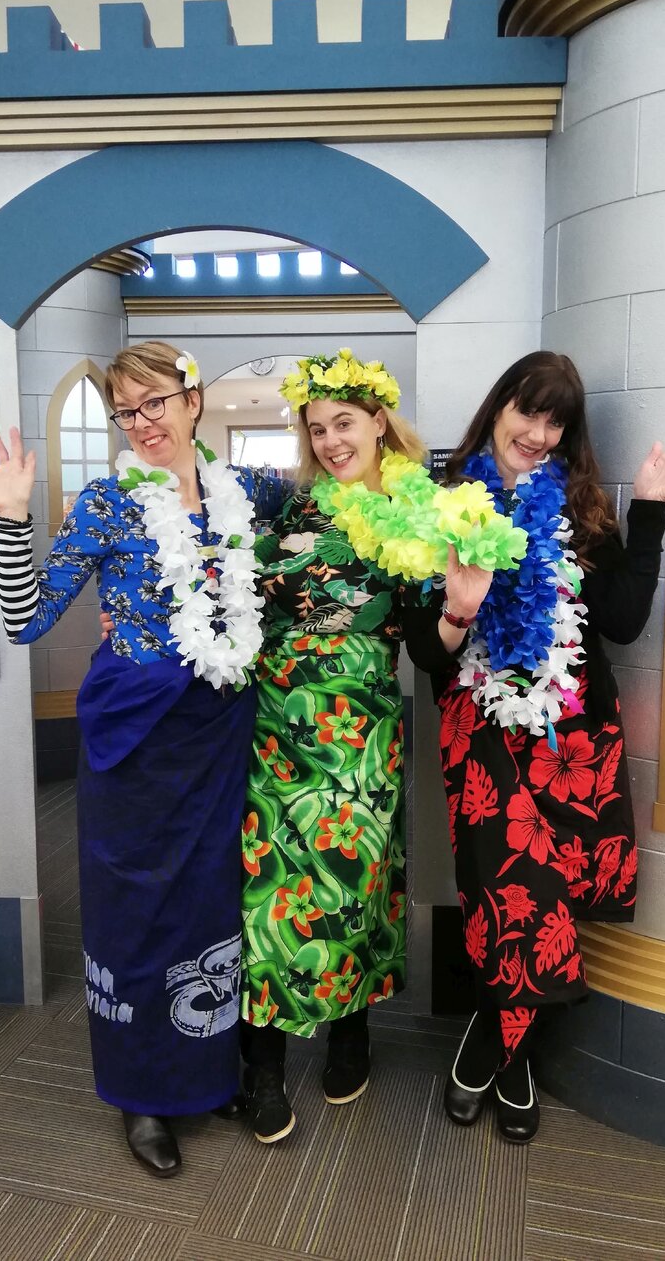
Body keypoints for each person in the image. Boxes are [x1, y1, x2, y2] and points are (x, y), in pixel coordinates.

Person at [0, 340, 289, 1178]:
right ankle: (142, 1094)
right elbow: (27, 620)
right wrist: (10, 516)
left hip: (218, 730)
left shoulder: (246, 494)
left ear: (193, 399)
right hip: (134, 737)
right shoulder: (108, 503)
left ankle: (206, 1073)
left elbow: (321, 538)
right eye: (126, 409)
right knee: (135, 909)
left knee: (210, 906)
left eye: (155, 402)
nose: (142, 422)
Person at [420, 350, 665, 1144]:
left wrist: (651, 506)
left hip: (575, 739)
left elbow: (621, 619)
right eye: (529, 411)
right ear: (497, 409)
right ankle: (508, 1057)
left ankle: (496, 1049)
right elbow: (424, 651)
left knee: (552, 899)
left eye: (556, 420)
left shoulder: (582, 506)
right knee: (506, 893)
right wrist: (455, 610)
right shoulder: (440, 505)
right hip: (483, 735)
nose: (540, 432)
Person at [238, 350, 456, 1143]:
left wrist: (459, 610)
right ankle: (259, 1061)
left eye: (345, 423)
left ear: (379, 422)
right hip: (272, 723)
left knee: (352, 878)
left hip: (360, 731)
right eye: (317, 427)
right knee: (264, 888)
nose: (331, 440)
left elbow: (431, 652)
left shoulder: (422, 516)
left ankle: (351, 1032)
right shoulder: (291, 511)